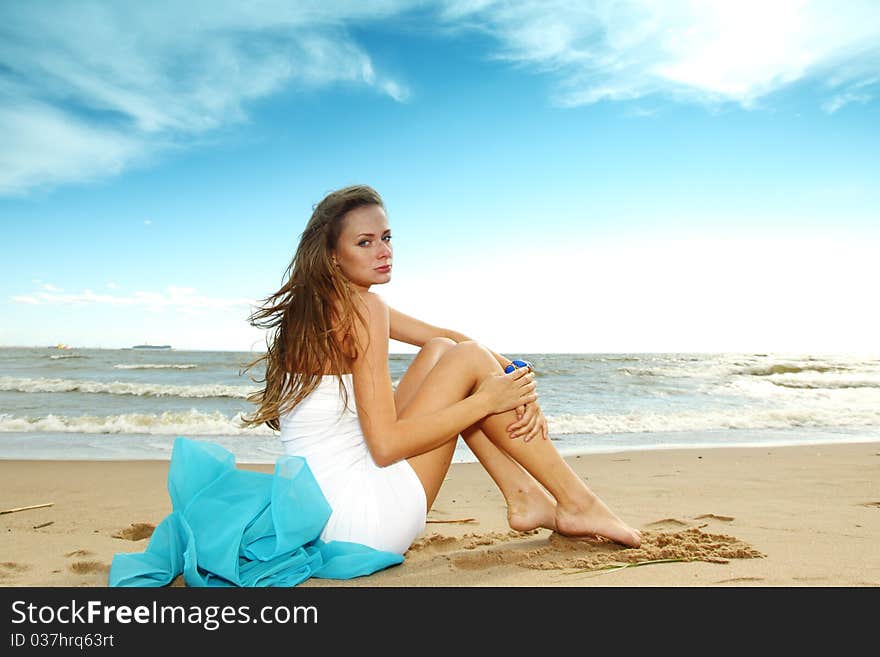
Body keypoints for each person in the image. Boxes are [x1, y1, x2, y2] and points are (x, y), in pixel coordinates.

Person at [240, 184, 641, 557]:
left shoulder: (319, 307)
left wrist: (517, 375)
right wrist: (487, 399)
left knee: (444, 350)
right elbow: (385, 447)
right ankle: (576, 502)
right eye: (365, 242)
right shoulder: (364, 309)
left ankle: (524, 495)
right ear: (332, 255)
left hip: (319, 519)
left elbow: (444, 336)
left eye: (387, 237)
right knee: (465, 361)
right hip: (362, 521)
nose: (383, 251)